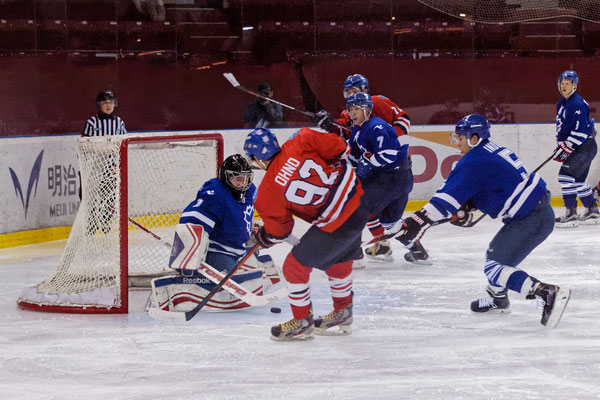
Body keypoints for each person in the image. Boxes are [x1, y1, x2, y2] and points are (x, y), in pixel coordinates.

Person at [396, 114, 571, 329]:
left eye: (460, 138)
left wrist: (417, 221)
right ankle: (499, 300)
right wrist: (471, 206)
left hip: (531, 219)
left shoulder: (473, 161)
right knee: (493, 256)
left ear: (474, 138)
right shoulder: (492, 151)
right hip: (537, 213)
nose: (457, 144)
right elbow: (498, 186)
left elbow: (444, 200)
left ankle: (544, 292)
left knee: (494, 267)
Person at [243, 127, 369, 341]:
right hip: (360, 202)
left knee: (294, 268)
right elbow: (341, 148)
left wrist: (263, 237)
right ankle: (343, 312)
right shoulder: (301, 140)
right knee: (338, 259)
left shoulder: (266, 194)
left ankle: (301, 322)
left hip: (336, 222)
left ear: (257, 158)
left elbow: (281, 231)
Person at [150, 154, 281, 312]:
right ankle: (183, 288)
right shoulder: (216, 195)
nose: (243, 183)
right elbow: (190, 221)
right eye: (238, 179)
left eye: (246, 179)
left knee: (255, 265)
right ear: (226, 177)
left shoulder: (250, 191)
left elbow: (239, 217)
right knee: (226, 280)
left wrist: (252, 231)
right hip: (216, 251)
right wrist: (188, 256)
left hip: (237, 248)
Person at [313, 74, 413, 262]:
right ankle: (386, 244)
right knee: (371, 209)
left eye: (355, 91)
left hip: (389, 167)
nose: (351, 96)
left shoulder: (378, 102)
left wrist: (389, 144)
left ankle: (355, 252)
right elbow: (347, 132)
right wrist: (328, 125)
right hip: (377, 166)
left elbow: (404, 120)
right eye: (348, 92)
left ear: (366, 90)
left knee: (358, 204)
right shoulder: (351, 114)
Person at [344, 92, 429, 264]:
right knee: (390, 223)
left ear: (367, 109)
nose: (352, 113)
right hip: (395, 179)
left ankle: (353, 256)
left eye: (357, 109)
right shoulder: (357, 130)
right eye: (350, 109)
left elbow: (388, 155)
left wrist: (368, 162)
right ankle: (417, 251)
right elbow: (352, 155)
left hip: (392, 179)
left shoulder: (377, 127)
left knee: (355, 206)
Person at [552, 70, 599, 227]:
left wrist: (565, 147)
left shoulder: (576, 103)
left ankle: (571, 214)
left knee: (565, 176)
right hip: (581, 147)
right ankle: (592, 210)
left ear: (575, 85)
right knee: (578, 181)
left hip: (584, 147)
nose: (564, 86)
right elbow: (563, 128)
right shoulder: (562, 103)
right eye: (562, 83)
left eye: (567, 84)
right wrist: (561, 146)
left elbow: (579, 132)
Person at [81, 90, 128, 233]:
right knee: (89, 197)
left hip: (111, 166)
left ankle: (106, 222)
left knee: (108, 195)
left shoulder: (119, 122)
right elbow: (83, 144)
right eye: (105, 102)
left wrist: (118, 163)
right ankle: (91, 223)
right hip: (94, 166)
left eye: (111, 102)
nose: (109, 105)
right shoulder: (91, 122)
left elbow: (124, 143)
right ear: (99, 105)